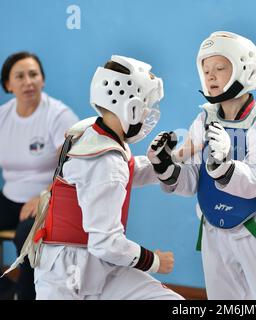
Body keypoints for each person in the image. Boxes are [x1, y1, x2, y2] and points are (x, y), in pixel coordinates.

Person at [13, 55, 183, 300]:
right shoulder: (106, 159)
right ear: (131, 107)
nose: (147, 114)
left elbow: (123, 173)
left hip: (100, 266)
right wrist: (155, 261)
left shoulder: (92, 130)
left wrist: (168, 160)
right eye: (145, 106)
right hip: (67, 274)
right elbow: (106, 242)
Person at [148, 31, 256, 300]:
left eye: (220, 68)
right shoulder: (204, 119)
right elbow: (193, 180)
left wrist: (225, 168)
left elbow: (254, 182)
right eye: (206, 70)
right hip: (214, 232)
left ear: (244, 70)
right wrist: (168, 170)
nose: (211, 76)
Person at [0, 51, 79, 299]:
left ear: (42, 80)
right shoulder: (3, 116)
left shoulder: (57, 114)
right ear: (8, 85)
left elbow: (76, 164)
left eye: (33, 74)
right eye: (20, 76)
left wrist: (44, 194)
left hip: (49, 199)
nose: (28, 81)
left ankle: (26, 294)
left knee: (27, 238)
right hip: (10, 197)